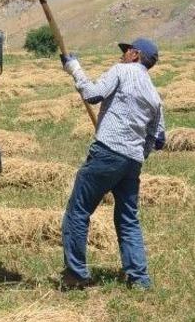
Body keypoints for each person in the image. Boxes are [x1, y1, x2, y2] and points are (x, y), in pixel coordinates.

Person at [58, 37, 166, 290]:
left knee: (78, 211)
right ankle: (139, 279)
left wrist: (74, 67)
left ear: (136, 55)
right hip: (132, 162)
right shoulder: (154, 94)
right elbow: (158, 137)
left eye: (126, 51)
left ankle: (76, 274)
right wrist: (139, 153)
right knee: (128, 218)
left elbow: (93, 95)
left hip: (108, 153)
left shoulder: (122, 71)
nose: (122, 55)